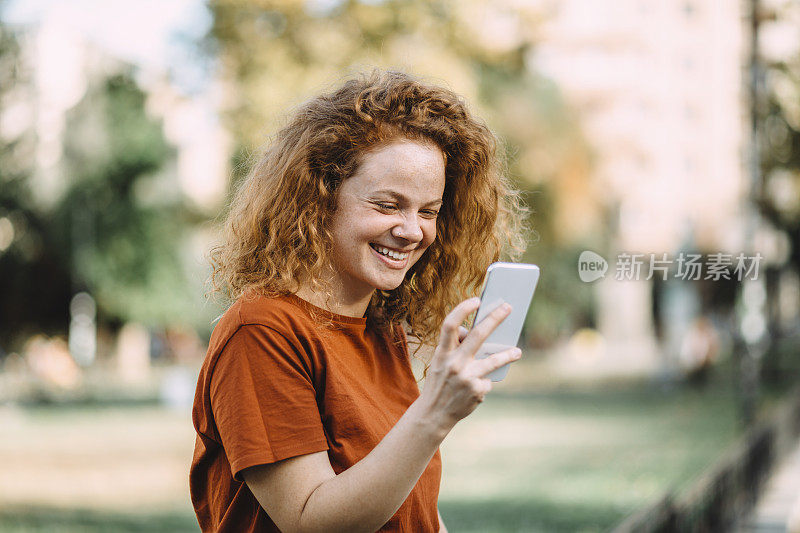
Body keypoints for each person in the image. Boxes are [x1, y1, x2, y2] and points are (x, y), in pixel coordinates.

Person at [189, 69, 527, 533]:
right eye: (388, 205)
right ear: (320, 198)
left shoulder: (381, 326)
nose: (412, 231)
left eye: (428, 211)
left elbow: (413, 507)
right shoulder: (262, 330)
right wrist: (435, 412)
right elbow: (311, 520)